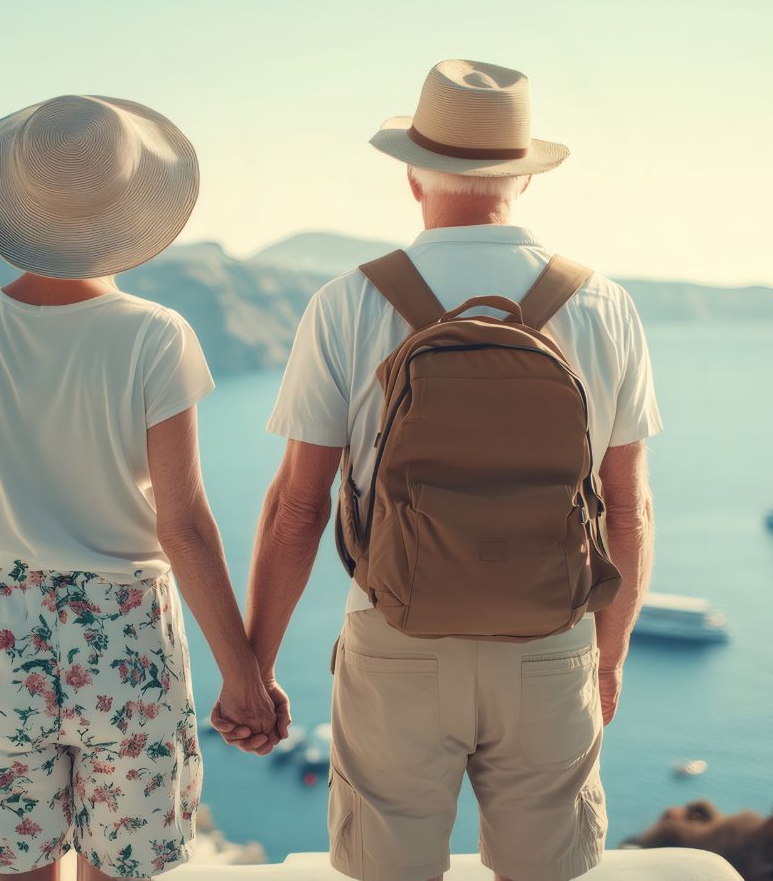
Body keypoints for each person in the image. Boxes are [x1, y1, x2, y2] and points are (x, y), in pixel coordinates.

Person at [226, 60, 662, 881]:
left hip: (394, 637)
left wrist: (256, 666)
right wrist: (606, 658)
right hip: (550, 640)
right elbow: (628, 509)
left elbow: (297, 507)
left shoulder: (349, 301)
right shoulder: (602, 303)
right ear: (523, 179)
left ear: (411, 174)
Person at [0, 94, 277, 880]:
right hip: (126, 638)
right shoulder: (155, 336)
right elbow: (183, 524)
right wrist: (242, 674)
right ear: (131, 209)